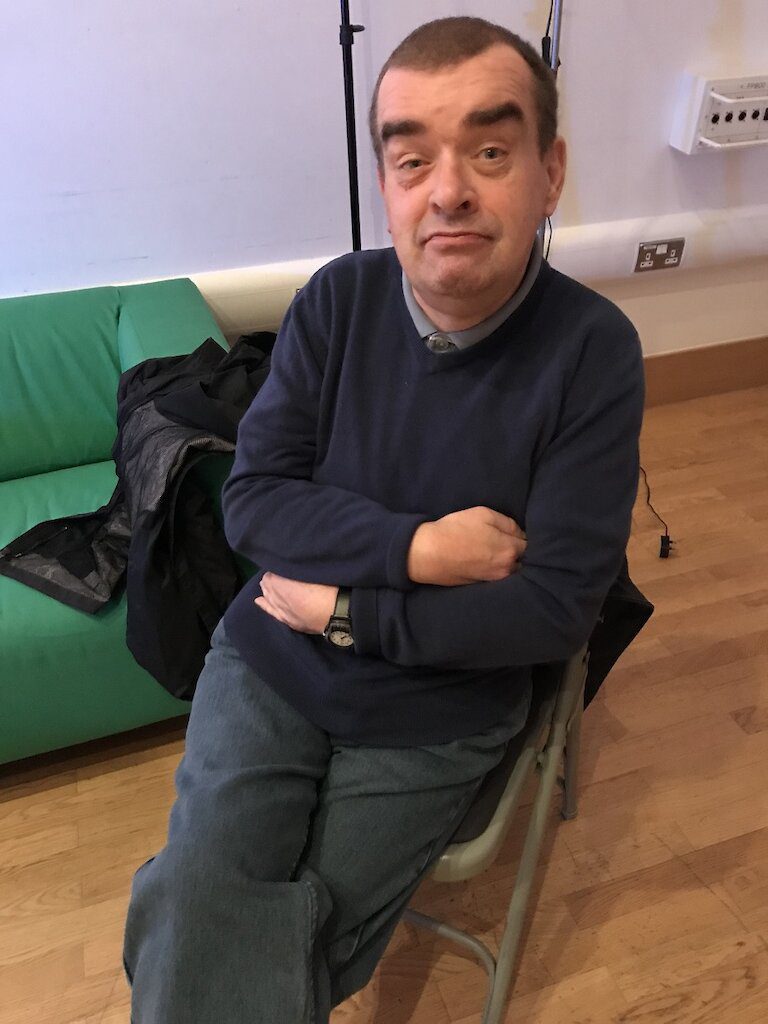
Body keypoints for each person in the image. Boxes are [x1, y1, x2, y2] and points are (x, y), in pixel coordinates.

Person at [123, 16, 645, 1023]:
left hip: (437, 708)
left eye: (489, 153)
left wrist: (349, 611)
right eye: (413, 160)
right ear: (387, 185)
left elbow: (550, 613)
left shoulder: (595, 354)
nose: (448, 190)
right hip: (272, 658)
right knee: (196, 902)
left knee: (245, 939)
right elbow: (255, 503)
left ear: (550, 172)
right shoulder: (338, 301)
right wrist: (424, 549)